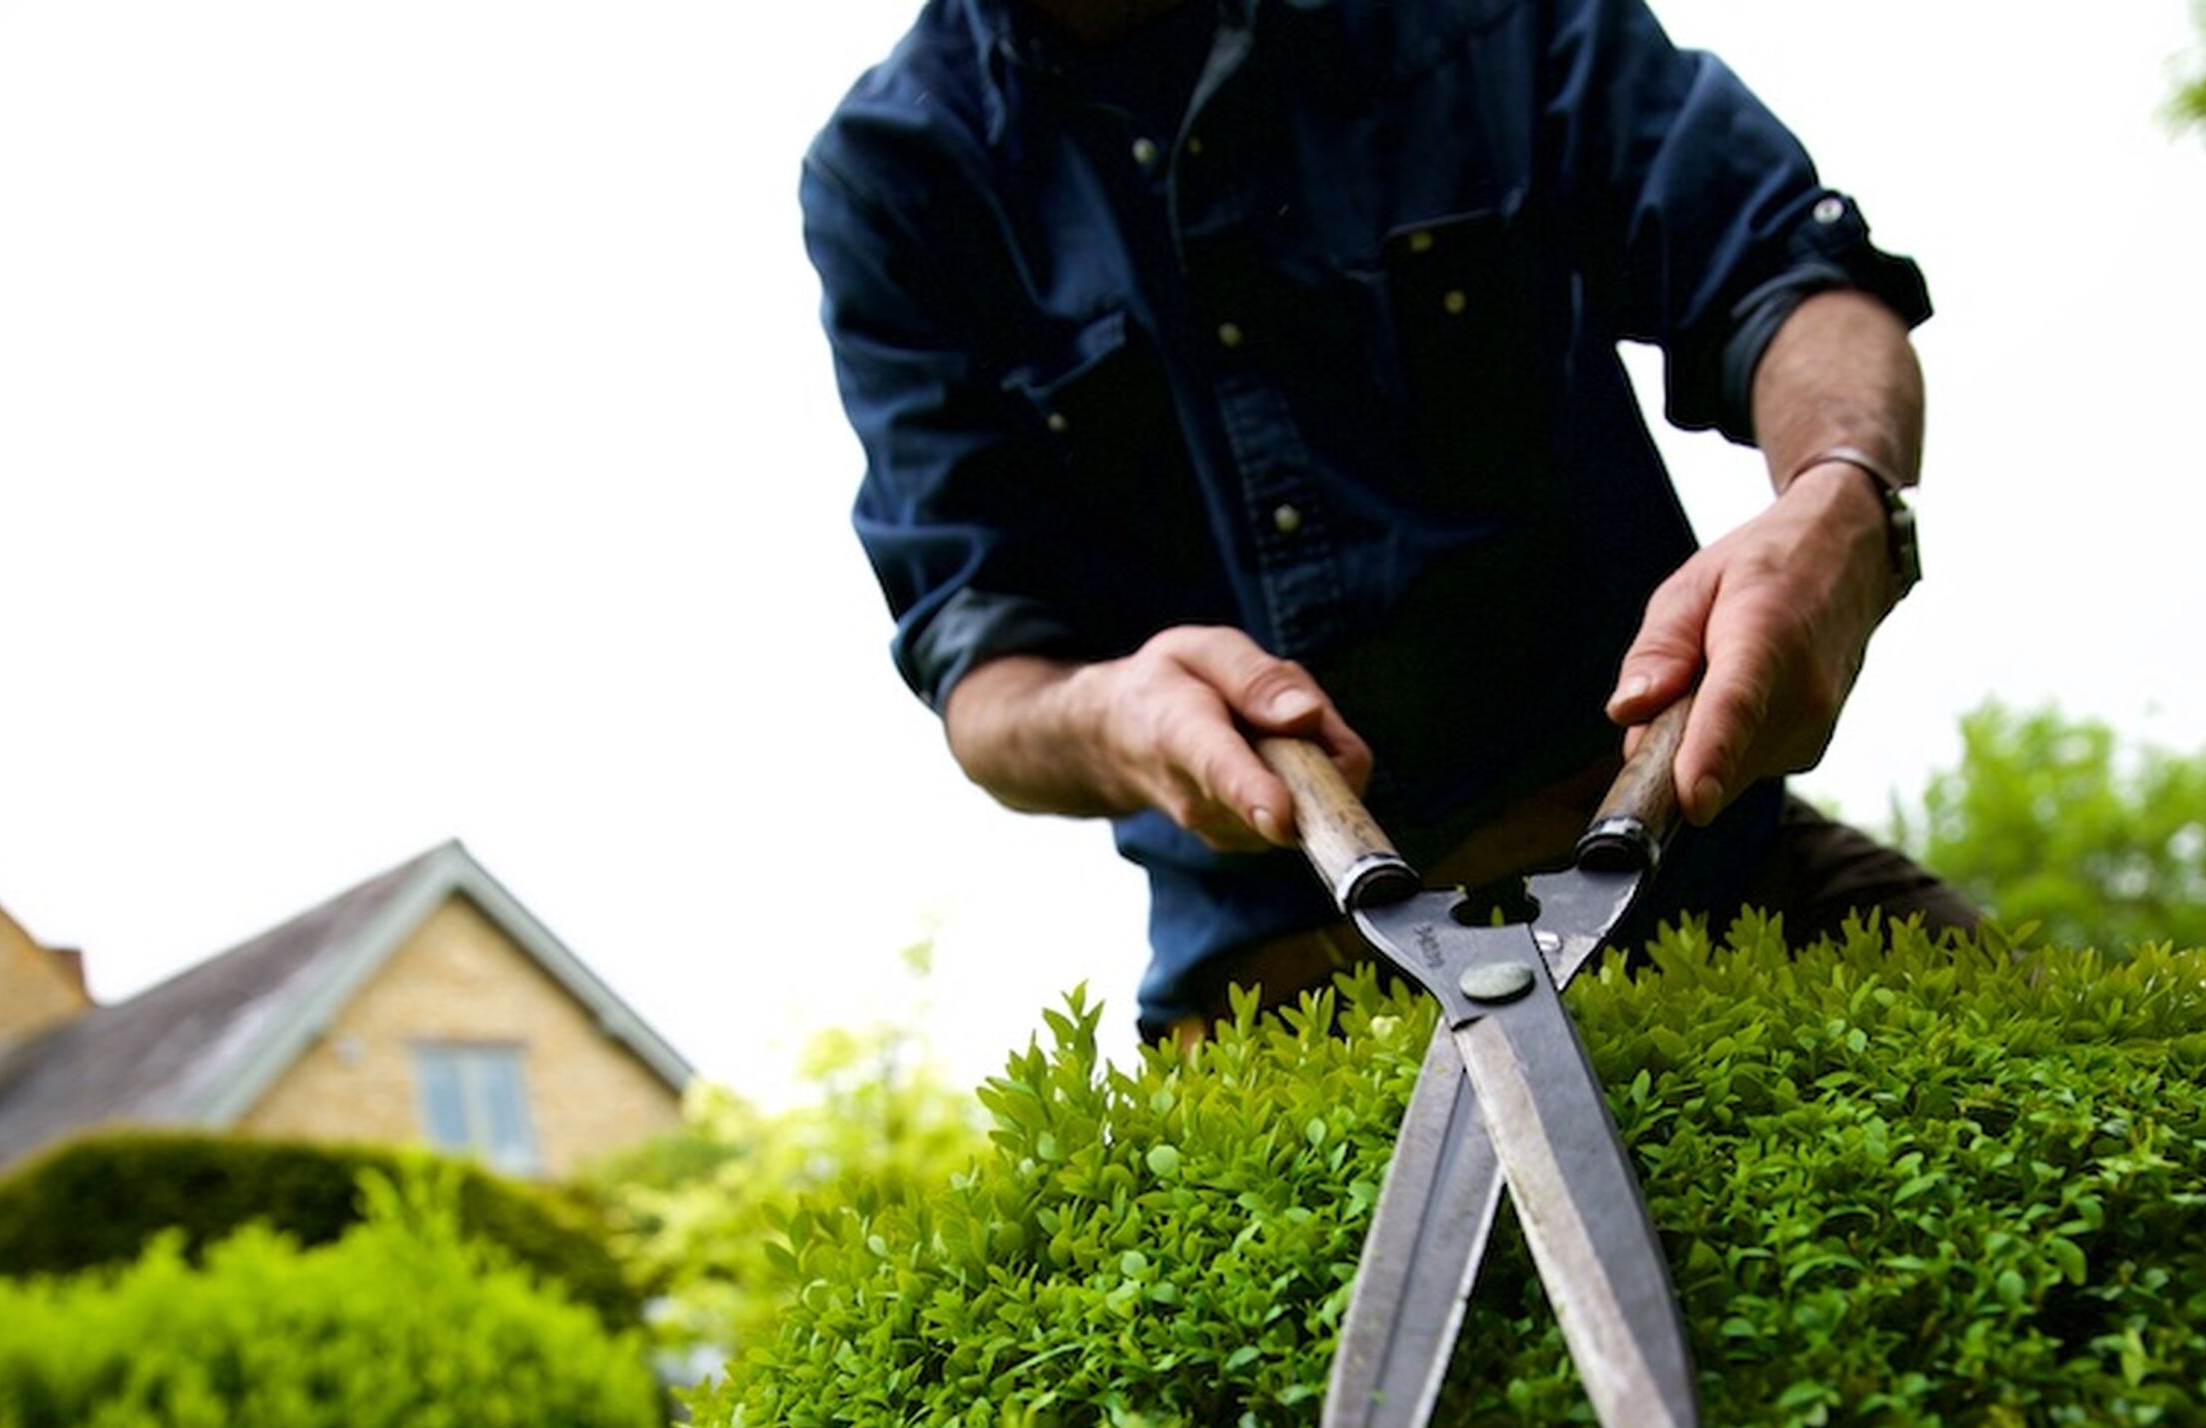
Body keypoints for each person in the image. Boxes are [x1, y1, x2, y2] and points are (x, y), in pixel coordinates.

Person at [803, 0, 1978, 1040]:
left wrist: (1841, 493)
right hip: (1281, 992)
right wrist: (1115, 715)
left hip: (1701, 877)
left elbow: (1784, 267)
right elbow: (984, 668)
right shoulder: (895, 177)